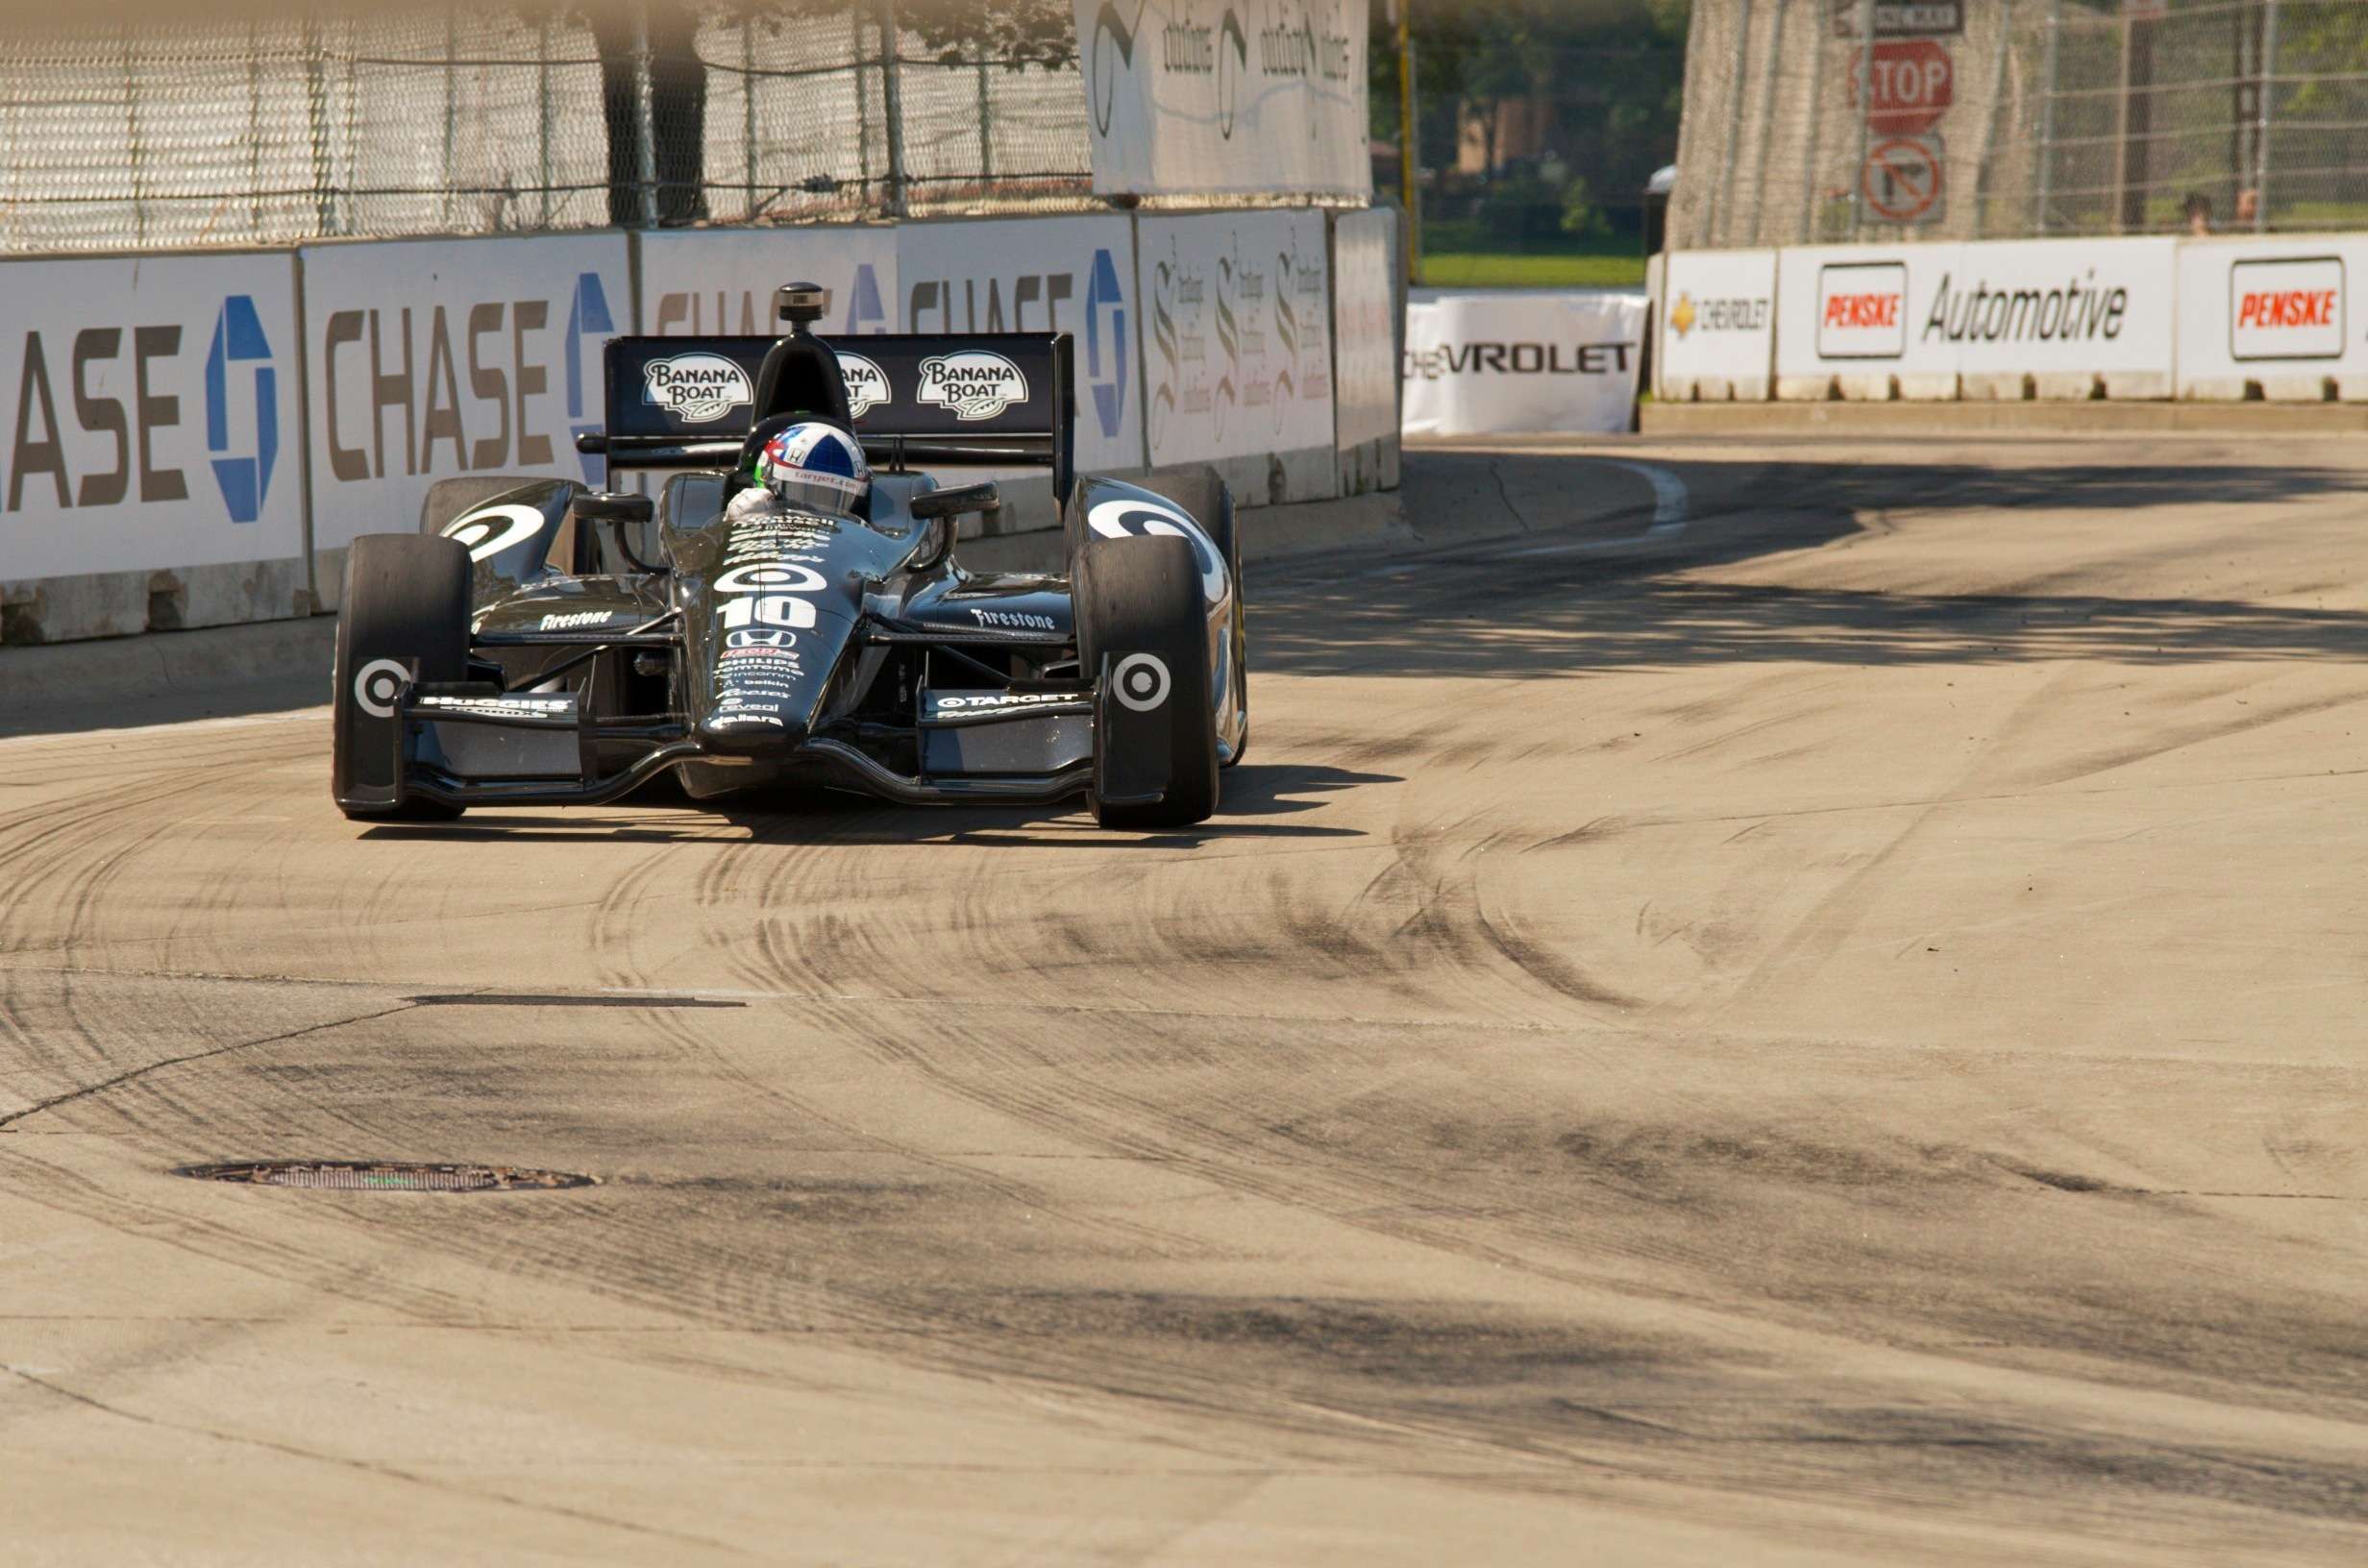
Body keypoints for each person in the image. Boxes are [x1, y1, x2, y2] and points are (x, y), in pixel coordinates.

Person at [726, 422, 872, 524]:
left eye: (831, 499)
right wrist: (733, 527)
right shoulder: (748, 511)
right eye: (802, 495)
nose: (813, 516)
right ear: (765, 478)